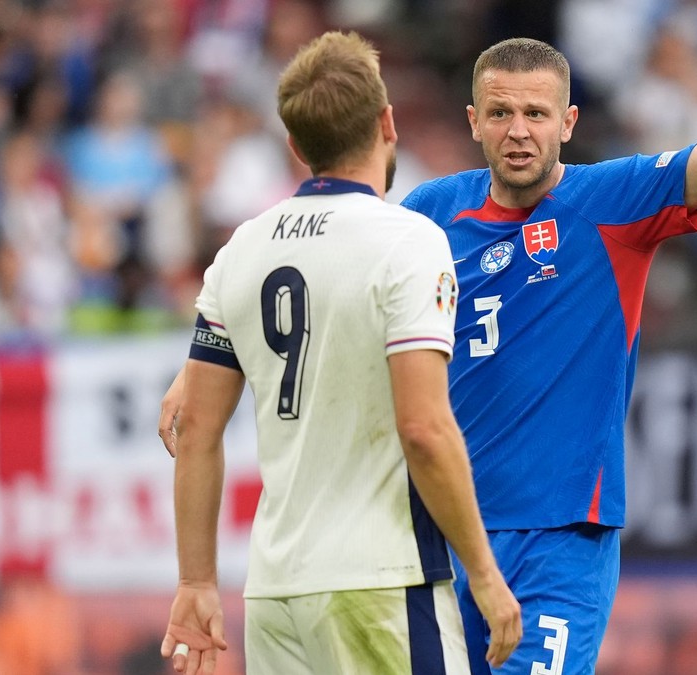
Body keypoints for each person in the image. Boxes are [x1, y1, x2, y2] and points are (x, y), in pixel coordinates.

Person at [162, 37, 697, 674]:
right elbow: (330, 268)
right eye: (503, 112)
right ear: (474, 121)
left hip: (559, 537)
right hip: (438, 538)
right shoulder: (423, 215)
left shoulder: (611, 201)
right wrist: (197, 366)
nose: (520, 131)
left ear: (570, 122)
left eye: (538, 114)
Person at [157, 30, 520, 675]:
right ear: (387, 121)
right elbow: (424, 429)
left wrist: (195, 583)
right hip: (384, 580)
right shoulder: (409, 243)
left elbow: (196, 430)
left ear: (296, 146)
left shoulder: (240, 250)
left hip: (275, 592)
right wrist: (485, 575)